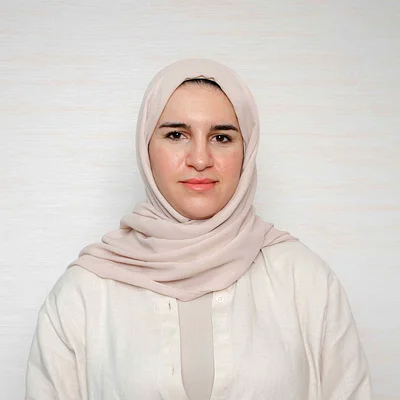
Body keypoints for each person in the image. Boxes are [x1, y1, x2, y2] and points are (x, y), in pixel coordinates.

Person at [25, 58, 373, 400]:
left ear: (247, 150)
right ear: (146, 148)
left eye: (221, 137)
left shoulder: (305, 280)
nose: (201, 159)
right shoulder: (84, 292)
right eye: (176, 135)